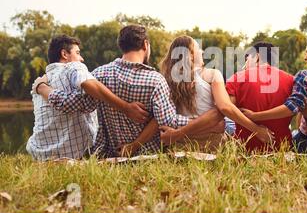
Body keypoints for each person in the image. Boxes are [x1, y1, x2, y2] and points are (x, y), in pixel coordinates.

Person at [36, 26, 224, 157]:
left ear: (122, 46)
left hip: (111, 155)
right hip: (148, 156)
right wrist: (206, 123)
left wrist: (42, 88)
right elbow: (168, 121)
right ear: (145, 45)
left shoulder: (99, 74)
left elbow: (74, 104)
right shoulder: (155, 80)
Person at [27, 35, 148, 160]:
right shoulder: (73, 67)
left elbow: (69, 101)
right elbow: (88, 83)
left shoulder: (40, 84)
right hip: (71, 155)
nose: (81, 59)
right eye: (78, 53)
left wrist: (42, 88)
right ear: (64, 54)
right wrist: (125, 107)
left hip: (39, 154)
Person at [153, 36, 273, 151]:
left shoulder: (166, 80)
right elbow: (225, 108)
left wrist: (178, 133)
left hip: (181, 145)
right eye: (198, 48)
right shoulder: (212, 74)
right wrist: (256, 130)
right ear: (190, 54)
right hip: (211, 144)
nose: (202, 51)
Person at [225, 42, 297, 152]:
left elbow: (226, 110)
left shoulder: (237, 79)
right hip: (282, 151)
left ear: (257, 56)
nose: (245, 62)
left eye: (247, 58)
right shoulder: (292, 80)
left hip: (245, 152)